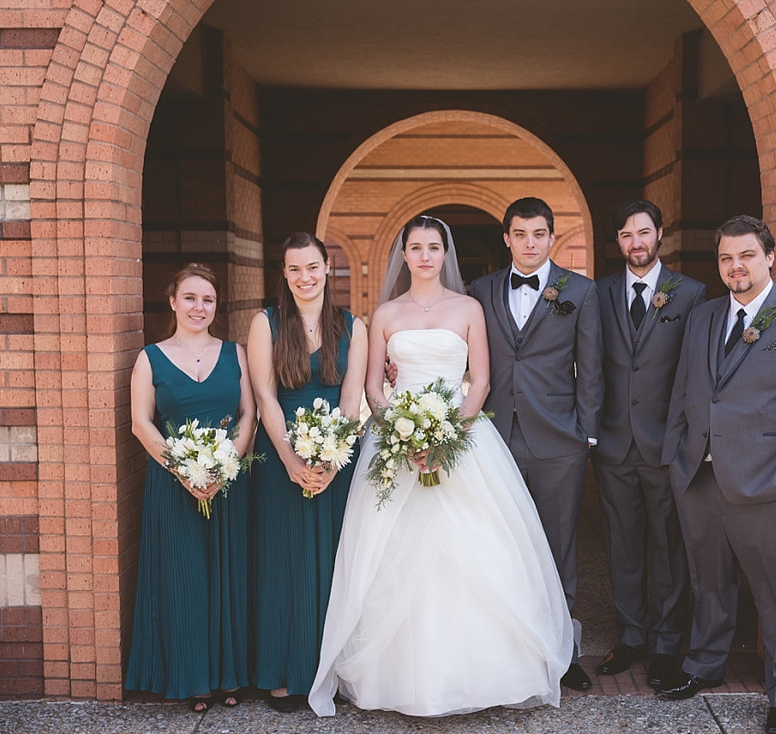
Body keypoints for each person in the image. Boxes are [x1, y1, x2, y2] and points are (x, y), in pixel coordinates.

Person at [308, 214, 572, 717]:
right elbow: (372, 388)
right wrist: (400, 433)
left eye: (434, 246)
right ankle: (399, 679)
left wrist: (447, 434)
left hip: (463, 440)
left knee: (476, 553)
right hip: (398, 444)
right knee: (393, 556)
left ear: (445, 254)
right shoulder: (384, 314)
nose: (425, 255)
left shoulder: (469, 308)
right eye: (416, 246)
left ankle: (485, 674)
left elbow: (480, 383)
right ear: (403, 254)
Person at [660, 215, 776, 734]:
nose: (735, 267)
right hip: (700, 478)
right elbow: (685, 390)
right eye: (725, 258)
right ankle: (705, 665)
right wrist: (678, 457)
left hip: (770, 486)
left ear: (769, 258)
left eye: (746, 256)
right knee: (708, 582)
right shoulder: (704, 317)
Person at [469, 197, 602, 692]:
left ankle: (562, 654)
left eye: (538, 234)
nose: (529, 243)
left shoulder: (580, 292)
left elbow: (590, 366)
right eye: (520, 234)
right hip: (494, 435)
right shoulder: (480, 290)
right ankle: (505, 650)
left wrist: (585, 434)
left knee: (559, 545)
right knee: (500, 544)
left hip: (559, 440)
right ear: (507, 238)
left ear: (551, 238)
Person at [125, 263, 256, 712]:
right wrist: (183, 469)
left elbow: (248, 417)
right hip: (172, 486)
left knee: (225, 577)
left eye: (208, 300)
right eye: (191, 298)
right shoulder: (150, 357)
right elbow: (141, 422)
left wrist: (223, 467)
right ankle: (192, 679)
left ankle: (227, 676)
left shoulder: (235, 353)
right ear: (173, 301)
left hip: (227, 484)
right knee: (183, 580)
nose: (199, 307)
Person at [246, 232, 368, 713]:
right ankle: (281, 671)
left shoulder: (352, 326)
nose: (304, 277)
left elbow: (351, 399)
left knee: (332, 562)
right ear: (284, 273)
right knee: (283, 561)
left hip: (335, 461)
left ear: (327, 269)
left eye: (312, 267)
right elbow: (265, 398)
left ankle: (327, 669)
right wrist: (292, 461)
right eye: (294, 269)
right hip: (280, 459)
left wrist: (331, 461)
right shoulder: (266, 323)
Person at [592, 200, 706, 687]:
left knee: (667, 545)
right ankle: (632, 635)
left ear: (660, 234)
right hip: (614, 442)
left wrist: (689, 439)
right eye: (625, 235)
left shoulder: (691, 293)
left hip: (665, 443)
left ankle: (665, 643)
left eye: (643, 233)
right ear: (616, 242)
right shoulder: (599, 293)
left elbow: (696, 371)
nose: (635, 243)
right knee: (623, 544)